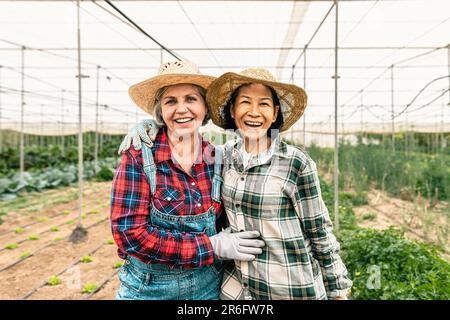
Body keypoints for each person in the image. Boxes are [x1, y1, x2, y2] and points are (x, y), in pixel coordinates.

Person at [119, 67, 352, 300]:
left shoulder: (293, 163)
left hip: (289, 288)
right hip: (233, 291)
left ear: (275, 112)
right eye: (245, 102)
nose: (253, 112)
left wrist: (338, 288)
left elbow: (319, 231)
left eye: (263, 104)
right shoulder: (222, 156)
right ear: (232, 109)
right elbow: (130, 233)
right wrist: (149, 124)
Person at [110, 61, 265, 300]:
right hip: (149, 290)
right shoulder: (138, 156)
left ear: (205, 108)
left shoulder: (217, 158)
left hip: (209, 286)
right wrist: (211, 246)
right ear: (160, 112)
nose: (181, 109)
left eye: (191, 99)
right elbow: (130, 234)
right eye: (170, 101)